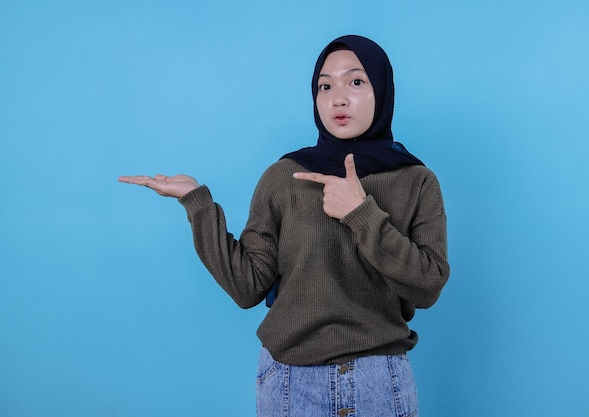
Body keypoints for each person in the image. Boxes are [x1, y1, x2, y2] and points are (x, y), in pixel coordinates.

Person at [119, 34, 449, 417]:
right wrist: (197, 202)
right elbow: (247, 287)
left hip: (377, 381)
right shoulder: (285, 176)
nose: (338, 98)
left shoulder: (416, 180)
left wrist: (361, 213)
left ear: (383, 90)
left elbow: (427, 286)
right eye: (325, 86)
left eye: (356, 82)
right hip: (293, 383)